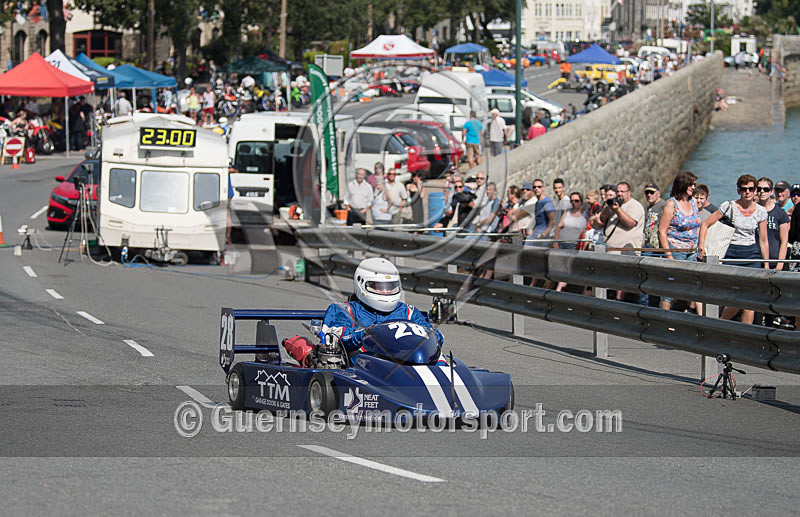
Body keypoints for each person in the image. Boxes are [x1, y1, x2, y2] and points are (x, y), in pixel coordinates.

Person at [282, 258, 443, 366]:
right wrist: (365, 334)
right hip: (366, 368)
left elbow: (431, 334)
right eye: (379, 288)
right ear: (362, 284)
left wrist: (435, 338)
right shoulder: (344, 311)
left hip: (409, 363)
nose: (386, 292)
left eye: (390, 288)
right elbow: (338, 340)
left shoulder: (409, 312)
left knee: (443, 361)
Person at [698, 174, 769, 325]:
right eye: (744, 189)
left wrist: (766, 265)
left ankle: (746, 337)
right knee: (733, 300)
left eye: (751, 189)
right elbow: (705, 224)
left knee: (749, 303)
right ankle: (720, 325)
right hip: (732, 253)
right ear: (739, 191)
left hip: (752, 255)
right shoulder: (729, 206)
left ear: (755, 190)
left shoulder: (761, 211)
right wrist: (701, 247)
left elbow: (763, 241)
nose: (748, 192)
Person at [657, 171, 702, 312]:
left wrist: (700, 246)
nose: (693, 187)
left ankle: (696, 318)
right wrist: (669, 255)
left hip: (692, 250)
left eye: (694, 184)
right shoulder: (672, 204)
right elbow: (662, 231)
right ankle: (665, 319)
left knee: (693, 286)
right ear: (683, 184)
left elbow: (698, 225)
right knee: (671, 289)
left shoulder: (693, 202)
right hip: (676, 249)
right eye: (691, 184)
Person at [755, 177, 789, 271]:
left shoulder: (780, 214)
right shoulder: (753, 211)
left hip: (774, 261)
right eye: (759, 189)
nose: (762, 192)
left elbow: (784, 242)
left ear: (771, 191)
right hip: (755, 260)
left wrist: (779, 265)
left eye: (766, 189)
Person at [529, 179, 556, 243]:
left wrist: (543, 235)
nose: (536, 189)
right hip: (536, 235)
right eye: (534, 187)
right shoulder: (537, 203)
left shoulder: (547, 202)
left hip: (543, 238)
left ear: (543, 188)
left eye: (539, 187)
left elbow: (552, 220)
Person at [643, 182, 666, 249]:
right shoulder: (649, 207)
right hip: (648, 241)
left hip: (657, 244)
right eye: (647, 192)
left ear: (658, 193)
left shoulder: (663, 205)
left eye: (652, 192)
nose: (649, 195)